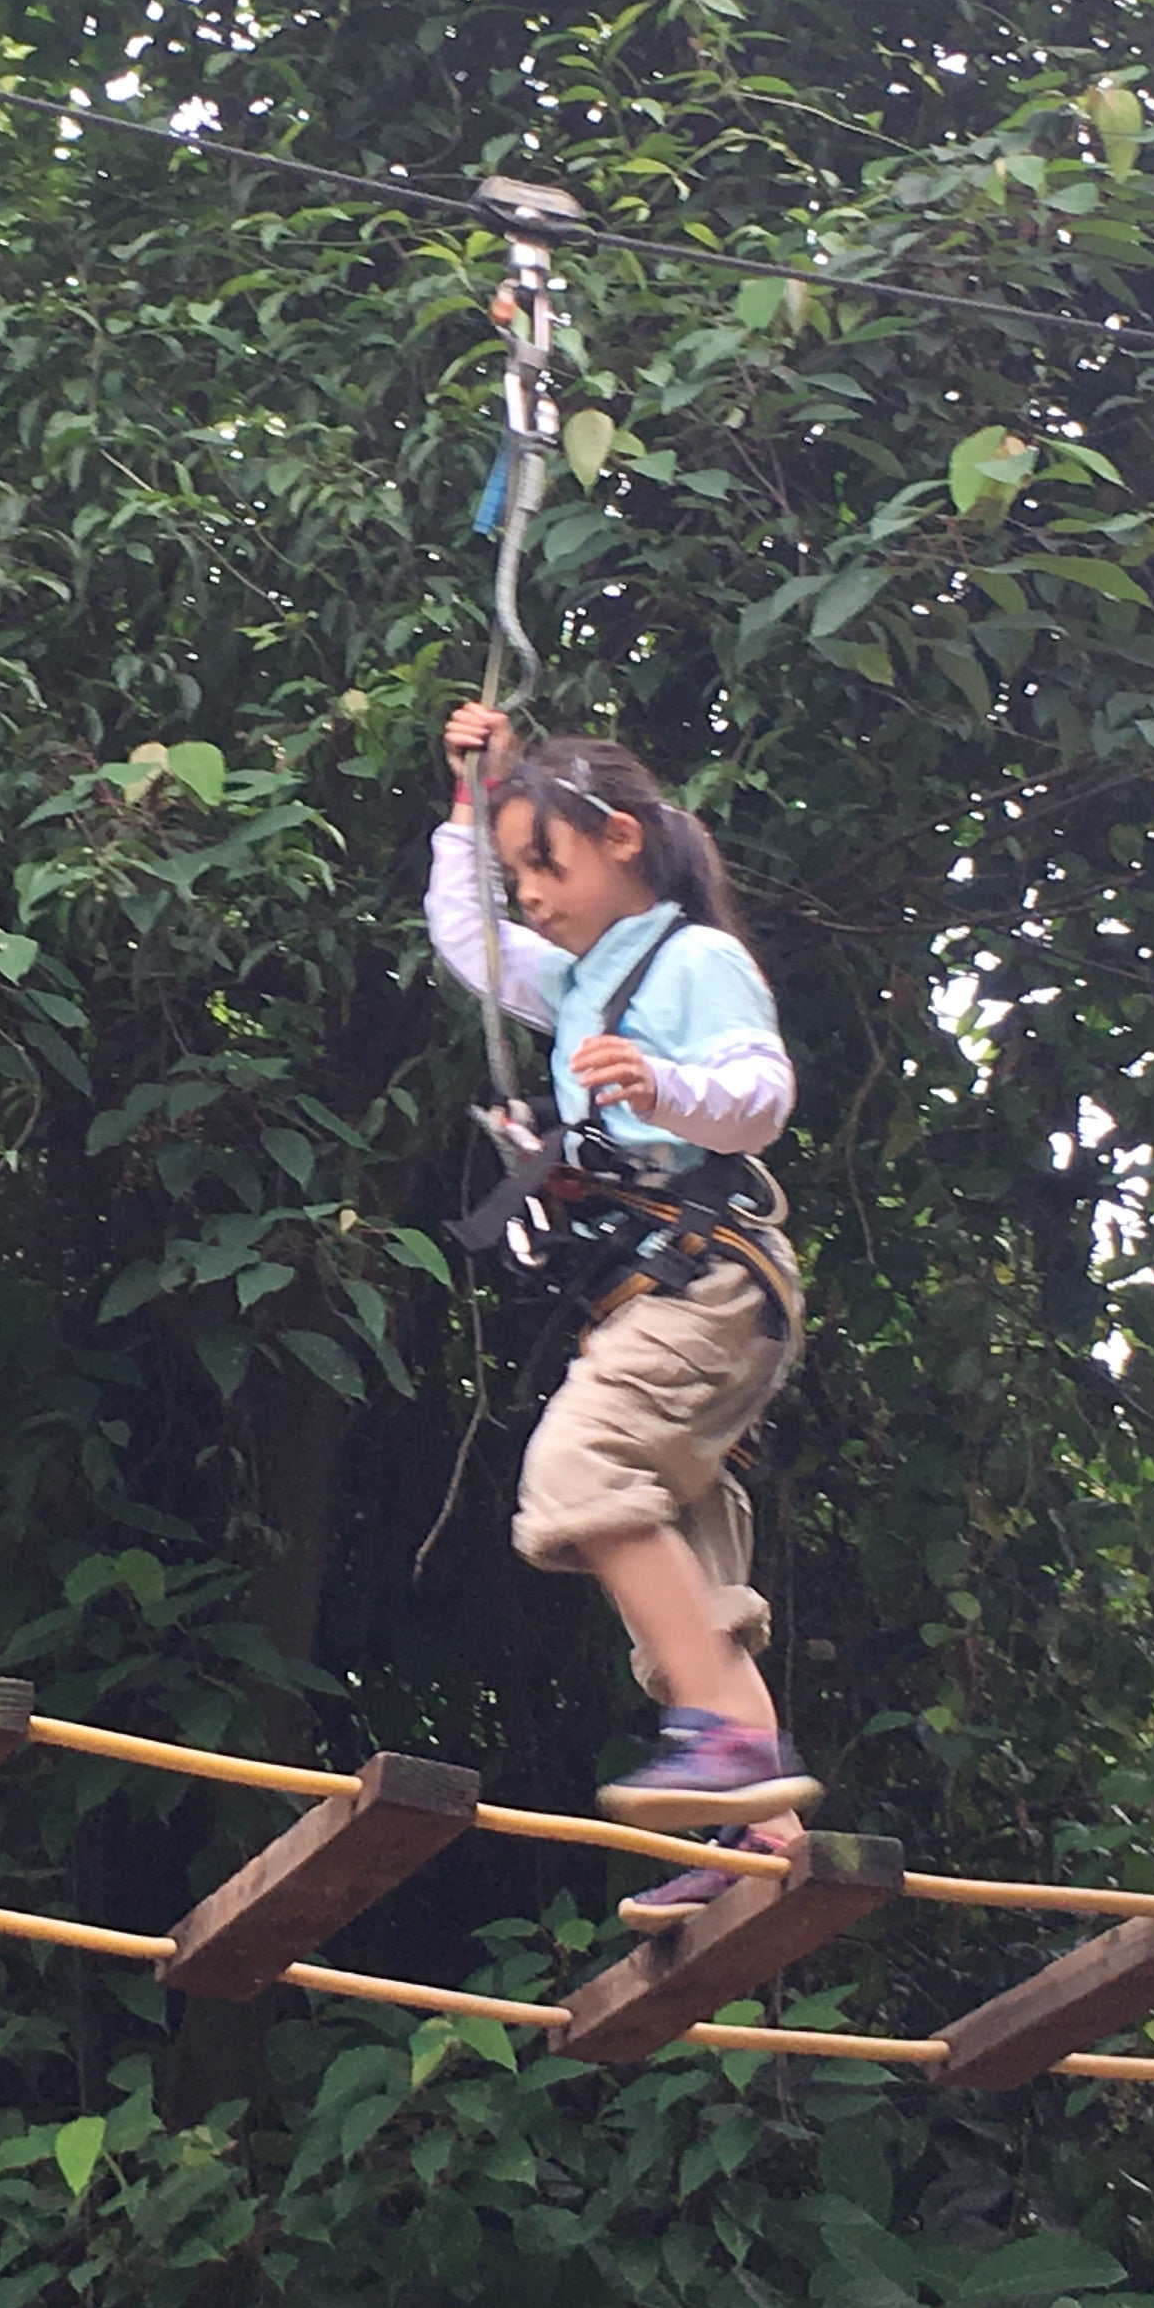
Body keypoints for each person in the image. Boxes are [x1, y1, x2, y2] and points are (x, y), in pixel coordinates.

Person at [429, 701, 814, 1929]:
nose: (529, 893)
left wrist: (665, 1084)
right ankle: (763, 1831)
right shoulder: (584, 981)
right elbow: (468, 940)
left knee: (580, 1468)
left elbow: (759, 1095)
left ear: (624, 843)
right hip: (661, 1291)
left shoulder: (688, 959)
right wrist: (468, 802)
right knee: (686, 1562)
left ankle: (720, 1746)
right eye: (518, 871)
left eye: (549, 862)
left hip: (707, 1276)